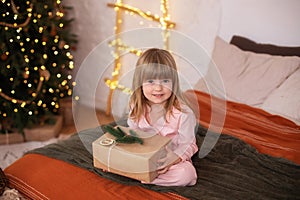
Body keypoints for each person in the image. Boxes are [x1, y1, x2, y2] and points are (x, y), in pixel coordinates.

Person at [127, 48, 198, 186]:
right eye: (151, 81)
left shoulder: (184, 114)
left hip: (168, 159)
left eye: (165, 81)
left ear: (174, 82)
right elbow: (132, 133)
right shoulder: (136, 106)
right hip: (143, 156)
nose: (158, 88)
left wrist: (175, 158)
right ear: (140, 83)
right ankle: (138, 172)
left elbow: (188, 144)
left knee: (187, 174)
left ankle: (138, 176)